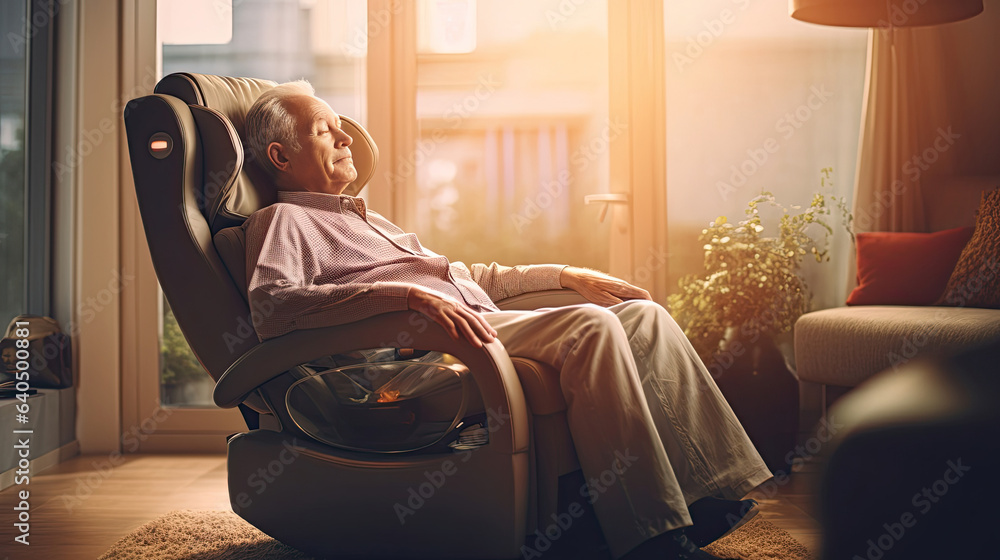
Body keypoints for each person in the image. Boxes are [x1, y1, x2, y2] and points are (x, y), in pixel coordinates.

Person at [242, 80, 772, 560]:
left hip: (472, 325)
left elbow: (471, 277)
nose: (345, 139)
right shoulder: (283, 221)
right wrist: (403, 297)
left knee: (642, 316)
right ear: (280, 156)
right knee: (592, 327)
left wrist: (566, 274)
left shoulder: (369, 220)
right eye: (325, 131)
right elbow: (274, 305)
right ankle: (651, 540)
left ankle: (706, 493)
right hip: (421, 361)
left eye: (342, 129)